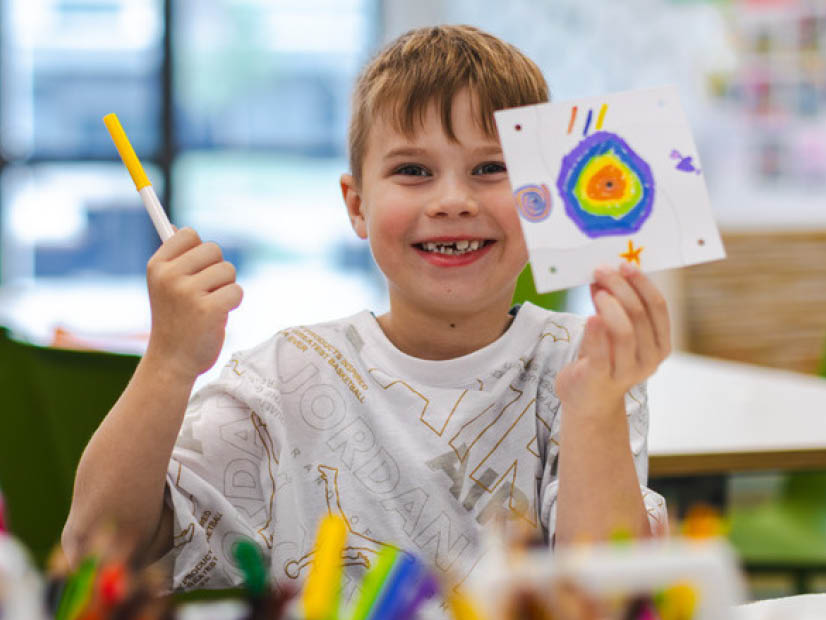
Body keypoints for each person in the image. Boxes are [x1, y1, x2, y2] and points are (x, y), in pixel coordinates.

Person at [63, 24, 669, 609]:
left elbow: (608, 598)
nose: (453, 200)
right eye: (413, 170)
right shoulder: (283, 379)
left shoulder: (585, 366)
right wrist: (168, 361)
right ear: (357, 205)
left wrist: (595, 407)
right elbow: (99, 550)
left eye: (490, 168)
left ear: (548, 197)